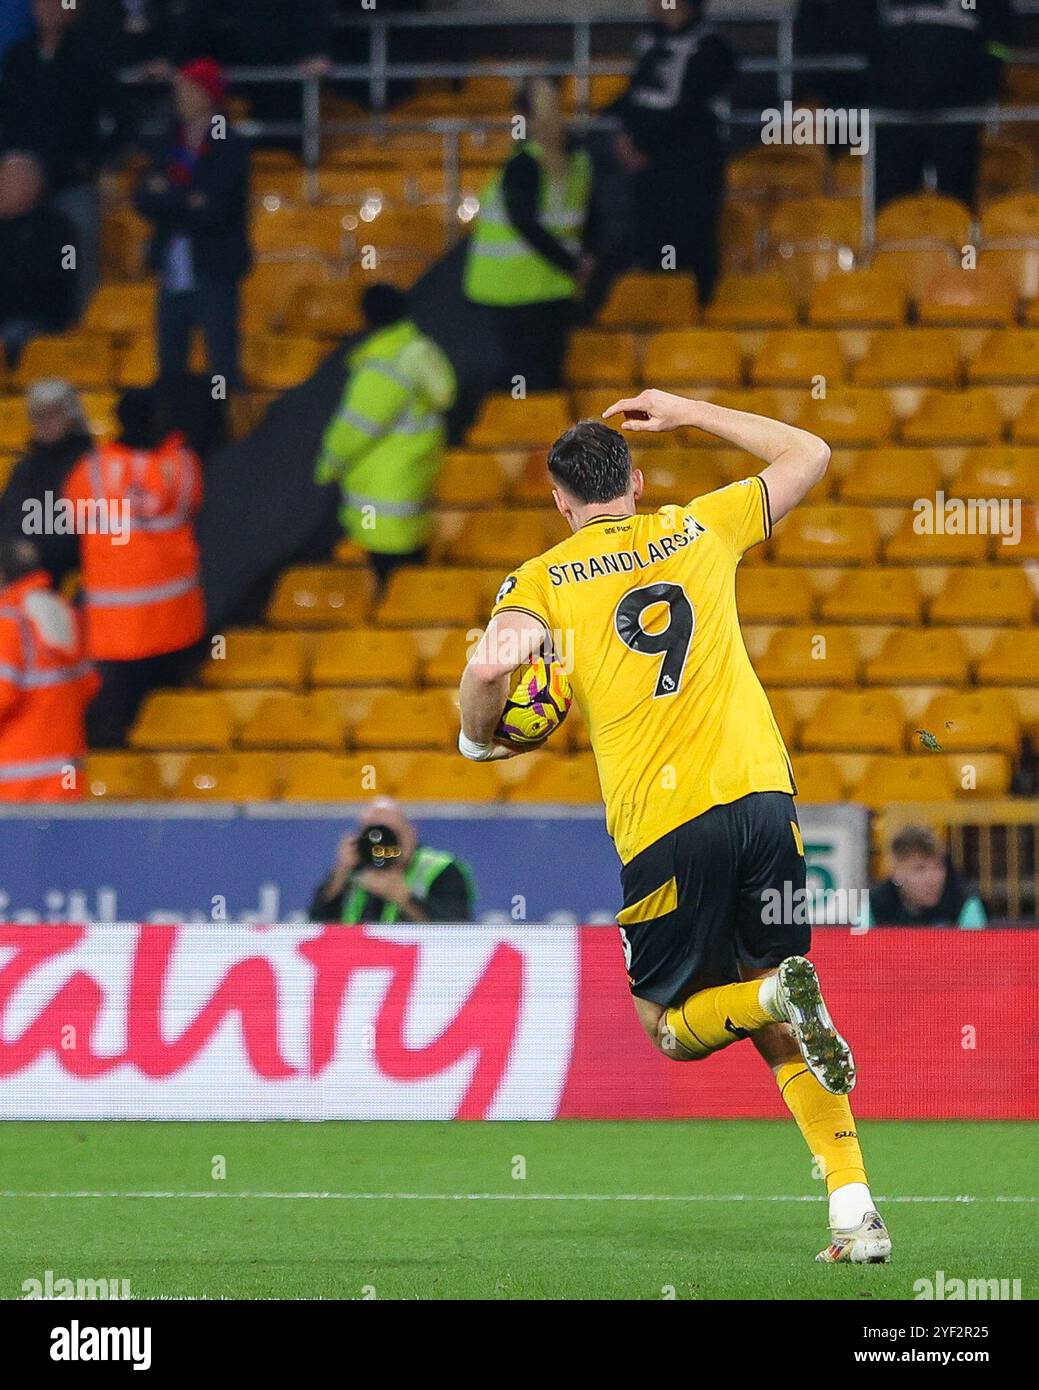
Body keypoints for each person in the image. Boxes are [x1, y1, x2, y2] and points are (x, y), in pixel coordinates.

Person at [459, 391, 892, 1266]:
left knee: (668, 1023)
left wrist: (478, 734)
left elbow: (489, 663)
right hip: (767, 797)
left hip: (666, 823)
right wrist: (688, 410)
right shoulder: (699, 526)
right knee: (777, 994)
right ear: (638, 480)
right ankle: (854, 1212)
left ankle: (773, 996)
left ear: (559, 501)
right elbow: (808, 449)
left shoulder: (544, 576)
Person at [64, 387, 206, 747]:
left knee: (115, 730)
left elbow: (70, 522)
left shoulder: (92, 472)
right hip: (173, 623)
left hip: (115, 628)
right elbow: (193, 506)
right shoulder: (183, 465)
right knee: (170, 727)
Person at [315, 283, 457, 590]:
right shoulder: (421, 352)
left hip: (380, 497)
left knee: (392, 584)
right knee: (411, 579)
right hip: (413, 485)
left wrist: (328, 465)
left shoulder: (384, 366)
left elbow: (354, 428)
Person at [463, 78, 595, 391]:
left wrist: (571, 264)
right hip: (553, 288)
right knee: (544, 378)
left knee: (522, 383)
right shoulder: (578, 160)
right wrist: (578, 263)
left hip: (510, 289)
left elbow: (525, 224)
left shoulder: (523, 164)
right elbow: (591, 218)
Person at [134, 57, 250, 391]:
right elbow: (143, 196)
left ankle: (226, 435)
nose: (179, 97)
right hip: (172, 268)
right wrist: (186, 198)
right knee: (170, 365)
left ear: (206, 94)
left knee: (222, 363)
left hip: (214, 267)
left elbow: (216, 208)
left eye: (186, 90)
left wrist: (168, 195)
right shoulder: (169, 142)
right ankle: (174, 433)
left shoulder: (231, 145)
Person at [0, 0, 123, 306]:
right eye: (43, 2)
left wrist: (90, 161)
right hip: (20, 185)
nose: (50, 8)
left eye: (59, 2)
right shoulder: (18, 59)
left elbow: (120, 120)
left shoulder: (90, 60)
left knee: (74, 254)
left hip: (70, 183)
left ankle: (80, 328)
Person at [611, 0, 735, 305]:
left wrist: (646, 145)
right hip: (649, 176)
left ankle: (694, 319)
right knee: (651, 250)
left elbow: (690, 112)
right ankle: (659, 320)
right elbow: (635, 96)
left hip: (688, 174)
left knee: (690, 252)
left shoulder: (712, 50)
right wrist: (624, 133)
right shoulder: (650, 42)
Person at [869, 0, 1016, 209]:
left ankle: (960, 241)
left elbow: (1001, 33)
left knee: (957, 198)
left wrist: (984, 84)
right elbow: (865, 30)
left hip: (957, 112)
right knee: (894, 202)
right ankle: (892, 242)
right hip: (897, 113)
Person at [0, 538, 96, 802]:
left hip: (16, 781)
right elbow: (89, 685)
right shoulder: (65, 612)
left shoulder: (8, 621)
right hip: (65, 776)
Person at [308, 798, 475, 925]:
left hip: (416, 966)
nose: (382, 843)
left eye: (390, 833)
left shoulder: (440, 869)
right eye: (374, 834)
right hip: (357, 964)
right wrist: (341, 872)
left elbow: (455, 934)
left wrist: (405, 899)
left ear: (411, 832)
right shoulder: (352, 869)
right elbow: (314, 925)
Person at [0, 380, 92, 584]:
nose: (44, 421)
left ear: (71, 416)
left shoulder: (87, 465)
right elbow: (7, 514)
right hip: (17, 562)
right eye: (38, 415)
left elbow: (85, 531)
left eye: (53, 413)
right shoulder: (25, 466)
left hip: (63, 567)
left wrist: (36, 550)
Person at [0, 152, 79, 365]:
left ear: (30, 186)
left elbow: (68, 273)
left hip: (38, 320)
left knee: (13, 335)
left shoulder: (60, 230)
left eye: (7, 181)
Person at [860, 825, 987, 928]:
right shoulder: (874, 906)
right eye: (920, 869)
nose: (933, 879)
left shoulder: (964, 902)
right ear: (896, 873)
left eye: (938, 867)